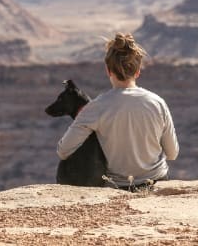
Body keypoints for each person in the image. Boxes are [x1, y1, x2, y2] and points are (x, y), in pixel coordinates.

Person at [56, 32, 179, 189]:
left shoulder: (95, 108)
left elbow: (63, 151)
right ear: (137, 72)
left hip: (118, 187)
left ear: (108, 70)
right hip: (157, 182)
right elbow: (172, 153)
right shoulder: (157, 103)